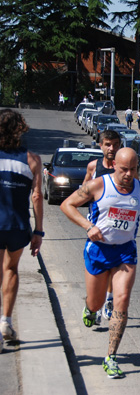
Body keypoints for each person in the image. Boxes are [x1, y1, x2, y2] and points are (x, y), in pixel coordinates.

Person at [60, 147, 140, 378]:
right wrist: (88, 227)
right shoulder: (98, 185)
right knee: (95, 304)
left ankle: (111, 356)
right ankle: (90, 308)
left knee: (122, 300)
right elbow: (67, 205)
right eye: (124, 169)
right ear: (114, 164)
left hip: (125, 252)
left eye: (133, 169)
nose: (128, 174)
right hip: (98, 250)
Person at [0, 110, 43, 352]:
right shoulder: (32, 160)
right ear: (20, 130)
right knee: (11, 269)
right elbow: (37, 196)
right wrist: (39, 231)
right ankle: (5, 322)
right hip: (17, 226)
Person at [83, 129, 123, 325]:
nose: (111, 148)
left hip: (118, 225)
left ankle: (108, 301)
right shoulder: (93, 167)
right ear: (100, 146)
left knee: (114, 266)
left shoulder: (123, 168)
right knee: (98, 270)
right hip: (97, 225)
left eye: (115, 144)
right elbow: (83, 192)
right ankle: (92, 304)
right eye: (107, 144)